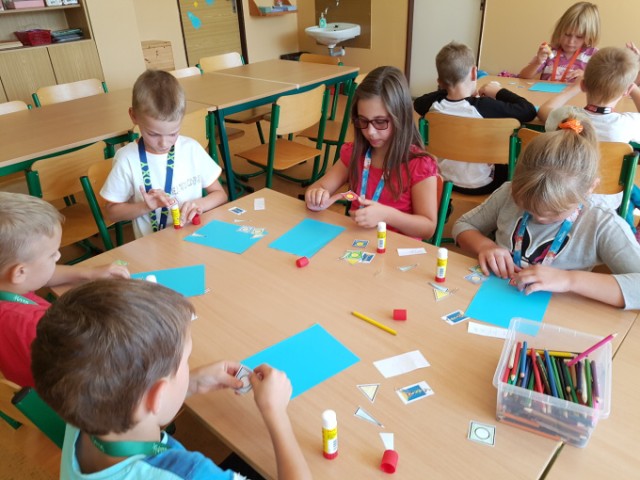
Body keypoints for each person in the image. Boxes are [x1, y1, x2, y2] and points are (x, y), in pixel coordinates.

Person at [31, 278, 312, 480]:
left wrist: (191, 384)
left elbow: (134, 412)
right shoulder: (190, 473)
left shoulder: (81, 409)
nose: (189, 367)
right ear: (157, 395)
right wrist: (275, 413)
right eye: (186, 362)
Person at [453, 116, 640, 309]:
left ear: (589, 188)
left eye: (554, 213)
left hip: (557, 312)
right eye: (528, 207)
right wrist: (484, 246)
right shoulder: (508, 193)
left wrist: (569, 280)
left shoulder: (601, 223)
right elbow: (463, 225)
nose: (540, 217)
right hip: (497, 298)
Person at [0, 192, 129, 387]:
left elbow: (37, 275)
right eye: (52, 255)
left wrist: (88, 273)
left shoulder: (11, 283)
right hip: (58, 394)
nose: (59, 256)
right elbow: (95, 371)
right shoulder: (36, 326)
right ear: (19, 272)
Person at [305, 66, 438, 239]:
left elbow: (427, 228)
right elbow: (320, 187)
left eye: (380, 122)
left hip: (396, 248)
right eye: (363, 121)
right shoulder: (355, 153)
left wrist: (386, 215)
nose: (370, 132)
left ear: (401, 117)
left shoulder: (419, 165)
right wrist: (316, 194)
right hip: (357, 242)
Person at [101, 70, 227, 239]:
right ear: (134, 116)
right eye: (153, 134)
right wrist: (145, 207)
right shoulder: (127, 159)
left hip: (195, 237)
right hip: (154, 244)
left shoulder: (191, 149)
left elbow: (220, 195)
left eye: (173, 133)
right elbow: (111, 213)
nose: (164, 143)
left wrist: (200, 204)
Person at [537, 46, 640, 237]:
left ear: (584, 85)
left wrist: (574, 87)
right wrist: (633, 89)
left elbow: (544, 109)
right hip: (608, 201)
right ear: (626, 90)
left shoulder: (567, 117)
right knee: (631, 186)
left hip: (565, 194)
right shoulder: (627, 124)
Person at [414, 42, 537, 195]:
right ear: (474, 73)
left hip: (444, 181)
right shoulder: (485, 107)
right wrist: (498, 92)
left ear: (439, 82)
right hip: (484, 184)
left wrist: (447, 88)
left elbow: (418, 103)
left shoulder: (434, 106)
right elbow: (529, 110)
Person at [518, 2, 600, 82]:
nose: (571, 41)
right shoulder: (550, 50)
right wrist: (537, 62)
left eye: (579, 37)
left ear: (590, 36)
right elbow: (523, 76)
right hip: (546, 91)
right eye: (567, 34)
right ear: (559, 31)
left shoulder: (594, 56)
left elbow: (602, 84)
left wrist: (587, 77)